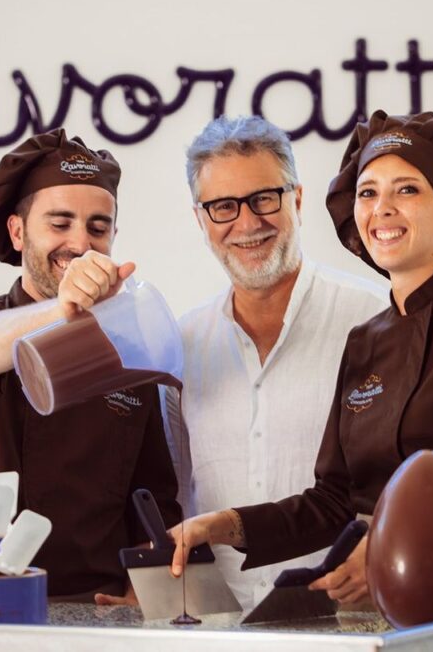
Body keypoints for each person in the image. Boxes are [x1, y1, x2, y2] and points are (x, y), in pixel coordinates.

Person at [169, 110, 433, 610]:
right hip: (368, 608)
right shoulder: (365, 338)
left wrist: (400, 550)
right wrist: (225, 525)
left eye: (407, 190)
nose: (382, 209)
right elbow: (334, 500)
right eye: (368, 193)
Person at [0, 129, 180, 602]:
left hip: (95, 611)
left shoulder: (126, 352)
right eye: (60, 223)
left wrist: (142, 594)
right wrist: (62, 309)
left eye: (98, 228)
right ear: (18, 232)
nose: (80, 243)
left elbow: (152, 501)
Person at [163, 116, 387, 609]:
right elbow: (176, 494)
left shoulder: (374, 320)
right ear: (201, 220)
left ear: (297, 200)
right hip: (224, 625)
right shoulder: (181, 345)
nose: (247, 224)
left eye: (264, 198)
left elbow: (416, 476)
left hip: (355, 619)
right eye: (223, 206)